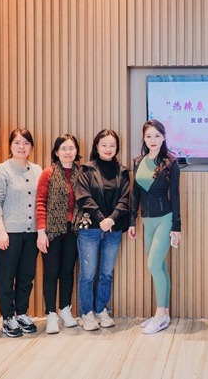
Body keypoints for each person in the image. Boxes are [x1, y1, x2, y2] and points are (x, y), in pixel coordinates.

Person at [0, 128, 43, 338]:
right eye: (17, 143)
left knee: (27, 276)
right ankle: (7, 318)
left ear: (31, 146)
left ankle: (22, 313)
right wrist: (1, 231)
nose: (22, 147)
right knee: (6, 277)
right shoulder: (2, 171)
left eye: (26, 143)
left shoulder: (37, 170)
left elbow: (41, 201)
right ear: (10, 145)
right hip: (9, 233)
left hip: (32, 233)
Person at [129, 120, 182, 335]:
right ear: (144, 138)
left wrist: (176, 226)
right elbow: (135, 194)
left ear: (164, 137)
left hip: (164, 219)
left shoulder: (170, 163)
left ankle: (159, 315)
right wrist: (132, 221)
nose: (153, 140)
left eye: (157, 136)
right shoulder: (138, 161)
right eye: (149, 136)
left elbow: (175, 196)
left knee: (152, 265)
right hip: (146, 221)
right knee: (160, 266)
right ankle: (165, 314)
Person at [75, 129, 130, 331]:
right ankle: (86, 313)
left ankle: (101, 310)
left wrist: (112, 219)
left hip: (113, 230)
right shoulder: (87, 169)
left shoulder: (122, 172)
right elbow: (83, 197)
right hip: (90, 229)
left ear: (117, 148)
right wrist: (101, 219)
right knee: (87, 274)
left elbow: (125, 199)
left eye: (112, 145)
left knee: (106, 273)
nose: (108, 149)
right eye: (104, 145)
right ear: (96, 146)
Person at [36, 134, 82, 334]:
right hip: (52, 231)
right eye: (63, 148)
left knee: (67, 271)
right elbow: (40, 203)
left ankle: (64, 310)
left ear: (76, 151)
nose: (68, 152)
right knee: (50, 272)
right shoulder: (48, 173)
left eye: (71, 148)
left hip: (74, 229)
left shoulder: (82, 173)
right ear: (56, 152)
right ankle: (51, 315)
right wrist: (41, 231)